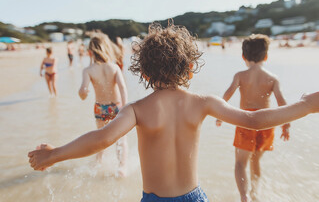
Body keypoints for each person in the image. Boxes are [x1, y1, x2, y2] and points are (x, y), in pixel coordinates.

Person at [28, 23, 319, 202]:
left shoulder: (137, 110)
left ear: (143, 71)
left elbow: (102, 139)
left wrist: (54, 154)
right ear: (190, 68)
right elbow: (254, 120)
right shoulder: (204, 102)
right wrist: (305, 106)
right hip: (196, 198)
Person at [216, 34, 290, 202]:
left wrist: (220, 115)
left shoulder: (240, 75)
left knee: (240, 163)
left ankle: (245, 197)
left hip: (246, 120)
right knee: (256, 160)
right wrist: (286, 124)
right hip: (267, 122)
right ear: (266, 56)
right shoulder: (272, 78)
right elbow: (282, 103)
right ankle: (256, 194)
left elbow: (227, 94)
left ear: (243, 56)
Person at [78, 33, 128, 176]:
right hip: (117, 106)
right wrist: (124, 107)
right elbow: (123, 88)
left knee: (101, 138)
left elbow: (83, 93)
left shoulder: (88, 70)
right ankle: (122, 168)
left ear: (90, 52)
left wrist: (83, 92)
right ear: (106, 49)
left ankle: (99, 162)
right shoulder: (114, 67)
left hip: (100, 108)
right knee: (121, 140)